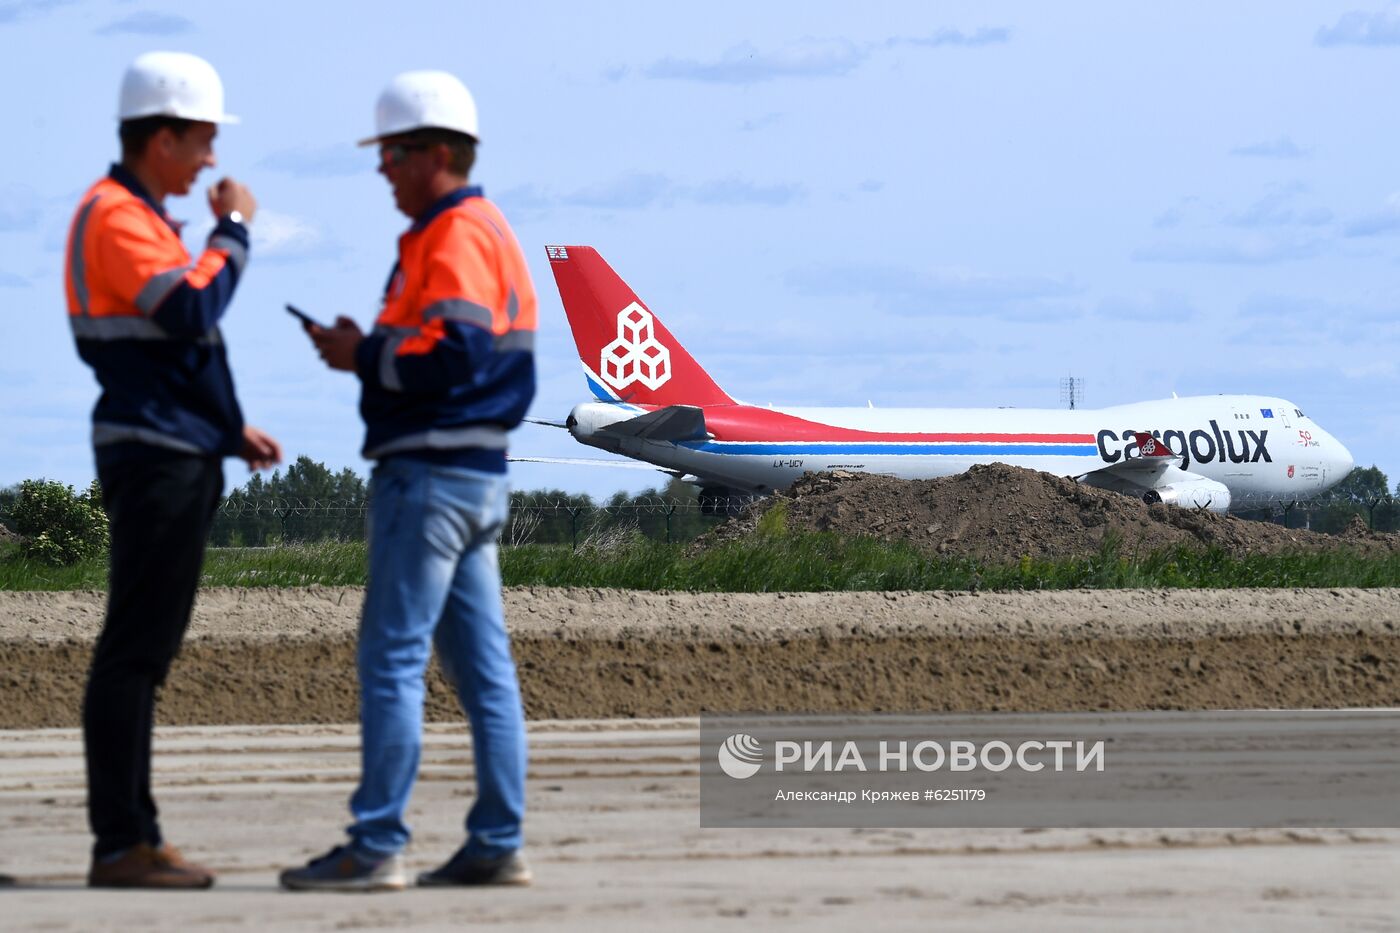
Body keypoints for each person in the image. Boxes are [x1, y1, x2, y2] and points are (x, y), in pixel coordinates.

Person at [279, 71, 537, 892]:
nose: (382, 169)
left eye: (390, 153)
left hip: (428, 473)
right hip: (476, 476)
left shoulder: (450, 235)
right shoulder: (489, 230)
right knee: (484, 669)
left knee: (392, 659)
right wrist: (375, 348)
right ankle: (496, 842)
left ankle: (376, 842)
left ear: (432, 153)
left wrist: (362, 355)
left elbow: (455, 355)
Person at [64, 51, 282, 889]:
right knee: (134, 654)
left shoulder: (138, 216)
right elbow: (191, 310)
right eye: (202, 140)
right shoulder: (117, 215)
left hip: (173, 448)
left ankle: (137, 836)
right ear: (162, 138)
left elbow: (169, 351)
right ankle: (120, 843)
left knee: (142, 654)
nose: (212, 159)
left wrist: (228, 430)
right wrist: (234, 232)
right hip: (153, 457)